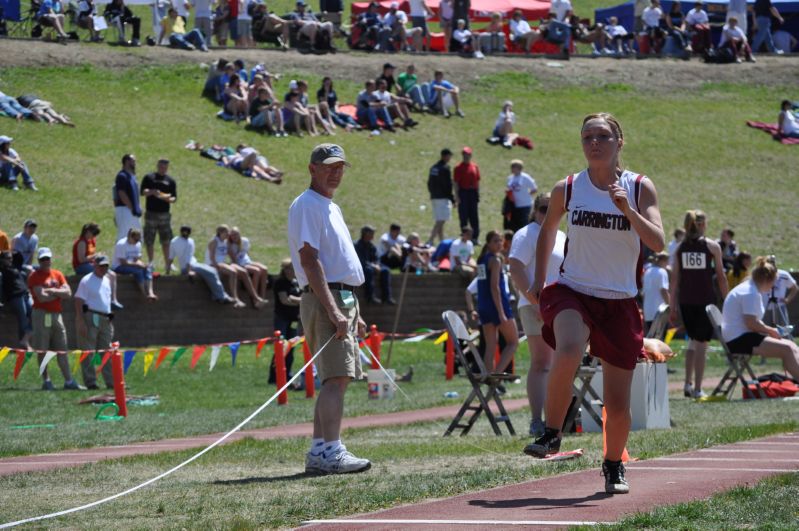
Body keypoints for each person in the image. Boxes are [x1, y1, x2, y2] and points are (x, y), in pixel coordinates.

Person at [523, 113, 665, 496]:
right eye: (588, 137)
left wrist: (628, 211)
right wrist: (538, 279)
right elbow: (547, 230)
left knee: (617, 406)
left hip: (619, 300)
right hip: (574, 289)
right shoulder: (567, 188)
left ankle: (614, 464)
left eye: (603, 136)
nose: (595, 143)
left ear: (620, 142)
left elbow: (658, 243)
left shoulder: (639, 187)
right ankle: (552, 431)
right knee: (568, 348)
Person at [288, 143, 371, 475]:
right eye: (329, 166)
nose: (336, 172)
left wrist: (354, 312)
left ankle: (321, 449)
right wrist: (335, 310)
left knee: (337, 378)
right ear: (312, 169)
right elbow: (310, 260)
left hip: (341, 297)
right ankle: (330, 451)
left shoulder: (329, 206)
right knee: (336, 377)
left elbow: (336, 260)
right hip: (329, 298)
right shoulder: (307, 204)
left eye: (340, 166)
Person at [508, 192, 565, 437]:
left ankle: (558, 419)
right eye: (543, 208)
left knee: (560, 365)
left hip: (561, 307)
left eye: (552, 208)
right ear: (535, 210)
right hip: (535, 307)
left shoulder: (561, 235)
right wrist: (536, 301)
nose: (547, 212)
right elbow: (516, 268)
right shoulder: (526, 234)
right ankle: (536, 420)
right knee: (542, 364)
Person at [669, 210, 728, 399]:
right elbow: (721, 276)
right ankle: (698, 388)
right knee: (702, 344)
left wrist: (672, 305)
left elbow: (674, 280)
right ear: (702, 225)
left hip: (686, 301)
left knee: (693, 341)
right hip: (704, 301)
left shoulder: (680, 248)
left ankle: (688, 383)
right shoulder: (712, 246)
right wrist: (727, 299)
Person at [721, 257, 799, 380]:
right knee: (787, 349)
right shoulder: (750, 292)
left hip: (743, 336)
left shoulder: (750, 289)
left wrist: (771, 331)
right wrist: (771, 331)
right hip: (738, 340)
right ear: (766, 280)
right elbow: (751, 323)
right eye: (773, 282)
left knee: (791, 345)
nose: (773, 286)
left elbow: (752, 322)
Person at [28, 248, 83, 390]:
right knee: (42, 350)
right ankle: (46, 381)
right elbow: (42, 297)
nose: (46, 262)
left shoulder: (57, 274)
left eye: (47, 259)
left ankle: (69, 381)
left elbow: (69, 293)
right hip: (41, 314)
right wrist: (59, 293)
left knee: (62, 349)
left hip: (57, 315)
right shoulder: (34, 276)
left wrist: (52, 291)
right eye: (43, 259)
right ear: (39, 261)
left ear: (51, 259)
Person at [475, 230, 518, 373]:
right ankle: (497, 374)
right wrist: (501, 313)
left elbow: (481, 285)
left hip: (483, 305)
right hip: (497, 305)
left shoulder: (481, 260)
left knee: (491, 346)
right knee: (513, 342)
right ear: (488, 243)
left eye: (501, 240)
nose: (500, 243)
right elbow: (494, 287)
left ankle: (489, 378)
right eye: (496, 241)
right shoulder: (495, 260)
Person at [168, 225, 239, 306]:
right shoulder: (189, 242)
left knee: (212, 271)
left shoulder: (174, 241)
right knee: (212, 272)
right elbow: (186, 259)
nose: (186, 234)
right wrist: (189, 271)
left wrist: (167, 270)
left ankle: (217, 296)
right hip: (190, 267)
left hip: (191, 265)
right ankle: (222, 297)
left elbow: (171, 257)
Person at [74, 254, 116, 389]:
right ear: (94, 265)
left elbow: (107, 301)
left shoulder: (107, 280)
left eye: (106, 266)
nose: (104, 268)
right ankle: (90, 382)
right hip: (90, 317)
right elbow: (78, 301)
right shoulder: (86, 280)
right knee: (88, 351)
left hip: (105, 318)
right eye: (101, 265)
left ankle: (111, 382)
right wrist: (80, 321)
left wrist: (109, 319)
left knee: (107, 351)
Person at [205, 224, 265, 308]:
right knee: (233, 272)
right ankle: (235, 299)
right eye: (226, 232)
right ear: (220, 232)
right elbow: (211, 257)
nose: (228, 233)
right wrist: (218, 267)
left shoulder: (225, 242)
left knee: (243, 272)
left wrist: (235, 264)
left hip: (223, 263)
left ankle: (256, 297)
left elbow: (230, 254)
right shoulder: (214, 241)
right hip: (214, 264)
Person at [72, 223, 123, 309]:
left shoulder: (92, 241)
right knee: (104, 275)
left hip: (92, 264)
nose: (94, 236)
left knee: (113, 275)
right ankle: (106, 299)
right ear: (87, 231)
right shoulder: (81, 242)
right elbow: (81, 259)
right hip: (81, 266)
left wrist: (98, 257)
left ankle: (113, 300)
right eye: (94, 233)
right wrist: (95, 256)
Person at [140, 159, 177, 272]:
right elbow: (142, 192)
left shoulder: (170, 181)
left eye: (165, 167)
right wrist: (152, 192)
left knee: (166, 240)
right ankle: (151, 262)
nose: (162, 169)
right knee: (149, 239)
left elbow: (174, 198)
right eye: (161, 166)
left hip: (164, 214)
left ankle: (168, 264)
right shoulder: (149, 177)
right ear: (157, 166)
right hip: (151, 213)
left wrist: (167, 198)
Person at [271, 259, 302, 384]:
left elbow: (293, 298)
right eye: (291, 268)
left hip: (294, 320)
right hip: (282, 319)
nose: (294, 271)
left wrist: (294, 299)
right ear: (285, 270)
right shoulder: (281, 283)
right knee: (281, 348)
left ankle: (287, 375)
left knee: (291, 347)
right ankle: (274, 377)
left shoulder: (295, 282)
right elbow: (284, 300)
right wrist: (301, 301)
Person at [113, 228, 158, 301]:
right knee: (138, 271)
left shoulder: (138, 244)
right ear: (129, 236)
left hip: (132, 265)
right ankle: (144, 294)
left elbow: (137, 259)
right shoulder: (121, 244)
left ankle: (150, 292)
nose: (137, 242)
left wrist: (143, 265)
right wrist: (137, 265)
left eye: (138, 240)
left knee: (148, 269)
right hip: (119, 266)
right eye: (135, 240)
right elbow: (123, 262)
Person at [0, 250, 32, 349]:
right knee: (23, 319)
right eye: (8, 258)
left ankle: (25, 340)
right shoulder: (2, 271)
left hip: (25, 294)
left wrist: (12, 251)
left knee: (34, 313)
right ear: (2, 260)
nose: (10, 260)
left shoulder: (15, 267)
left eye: (11, 258)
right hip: (15, 296)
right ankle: (24, 344)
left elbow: (19, 257)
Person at [354, 225, 393, 305]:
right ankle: (370, 297)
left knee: (385, 270)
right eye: (371, 233)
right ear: (366, 234)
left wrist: (377, 264)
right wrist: (374, 266)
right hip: (361, 267)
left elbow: (376, 258)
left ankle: (386, 297)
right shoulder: (356, 245)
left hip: (371, 267)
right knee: (368, 271)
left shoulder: (371, 246)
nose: (373, 235)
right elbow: (360, 261)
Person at [228, 227, 269, 300]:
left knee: (264, 269)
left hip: (247, 261)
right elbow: (234, 260)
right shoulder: (230, 245)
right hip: (240, 264)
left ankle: (262, 296)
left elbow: (245, 254)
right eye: (232, 235)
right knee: (256, 271)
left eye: (236, 234)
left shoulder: (245, 241)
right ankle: (254, 296)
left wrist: (249, 262)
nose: (234, 237)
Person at [427, 148, 455, 246]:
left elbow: (429, 183)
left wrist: (432, 193)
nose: (450, 158)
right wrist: (452, 198)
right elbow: (448, 185)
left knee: (439, 219)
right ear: (444, 156)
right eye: (449, 156)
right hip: (443, 197)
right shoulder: (445, 168)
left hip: (434, 197)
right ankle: (430, 240)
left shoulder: (433, 168)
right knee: (441, 220)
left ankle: (441, 241)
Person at [761, 255, 797, 328]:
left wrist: (787, 299)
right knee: (764, 329)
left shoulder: (783, 274)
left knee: (783, 329)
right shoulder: (761, 274)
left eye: (772, 263)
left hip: (779, 305)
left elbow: (795, 288)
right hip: (765, 306)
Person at [453, 146, 480, 242]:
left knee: (474, 216)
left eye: (468, 155)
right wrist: (457, 196)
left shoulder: (474, 167)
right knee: (463, 216)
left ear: (470, 155)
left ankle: (475, 237)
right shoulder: (458, 168)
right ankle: (465, 236)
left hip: (473, 192)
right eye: (464, 155)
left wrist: (477, 193)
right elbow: (455, 183)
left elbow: (477, 180)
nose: (466, 157)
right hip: (463, 192)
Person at [113, 154, 142, 241]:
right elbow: (121, 193)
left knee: (136, 236)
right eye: (133, 161)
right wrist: (132, 207)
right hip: (125, 209)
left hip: (132, 211)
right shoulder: (122, 176)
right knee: (124, 235)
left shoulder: (131, 177)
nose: (135, 163)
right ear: (126, 162)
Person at [505, 160, 537, 232]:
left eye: (514, 167)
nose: (512, 169)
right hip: (514, 206)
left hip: (525, 205)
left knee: (524, 224)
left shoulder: (525, 177)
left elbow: (534, 188)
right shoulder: (510, 178)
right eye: (511, 167)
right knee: (515, 225)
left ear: (519, 168)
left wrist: (527, 194)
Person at [642, 252, 670, 335]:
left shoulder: (647, 272)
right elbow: (663, 290)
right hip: (660, 311)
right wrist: (669, 305)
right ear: (663, 261)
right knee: (660, 339)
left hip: (648, 311)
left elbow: (644, 293)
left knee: (651, 338)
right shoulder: (662, 272)